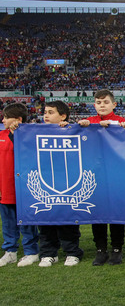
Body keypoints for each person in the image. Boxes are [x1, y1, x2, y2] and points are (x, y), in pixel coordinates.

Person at [78, 90, 125, 266]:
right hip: (94, 175)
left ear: (114, 105)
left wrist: (122, 129)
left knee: (116, 213)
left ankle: (117, 249)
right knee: (97, 213)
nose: (102, 105)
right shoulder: (88, 122)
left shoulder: (122, 122)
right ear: (94, 105)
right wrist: (79, 127)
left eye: (105, 102)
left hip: (116, 174)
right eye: (98, 102)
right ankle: (100, 250)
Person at [37, 101, 83, 267]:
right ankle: (48, 253)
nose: (46, 116)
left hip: (69, 183)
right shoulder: (34, 133)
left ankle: (72, 252)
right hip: (46, 183)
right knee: (46, 219)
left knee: (67, 219)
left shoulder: (72, 131)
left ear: (63, 116)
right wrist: (16, 133)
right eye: (45, 112)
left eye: (50, 112)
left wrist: (72, 127)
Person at [0, 103, 40, 267]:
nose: (3, 120)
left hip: (23, 188)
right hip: (4, 188)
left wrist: (17, 133)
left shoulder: (29, 136)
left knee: (26, 222)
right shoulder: (0, 135)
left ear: (18, 119)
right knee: (8, 222)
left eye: (6, 117)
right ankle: (10, 251)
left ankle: (31, 252)